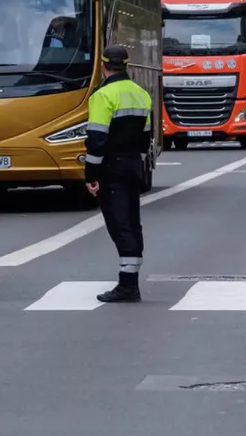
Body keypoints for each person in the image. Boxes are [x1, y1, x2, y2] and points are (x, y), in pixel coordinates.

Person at [85, 44, 152, 303]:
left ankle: (127, 286)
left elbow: (97, 139)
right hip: (133, 165)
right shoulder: (141, 93)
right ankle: (130, 280)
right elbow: (146, 138)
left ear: (103, 66)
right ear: (127, 65)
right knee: (132, 223)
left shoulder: (103, 95)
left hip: (111, 168)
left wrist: (91, 174)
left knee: (119, 224)